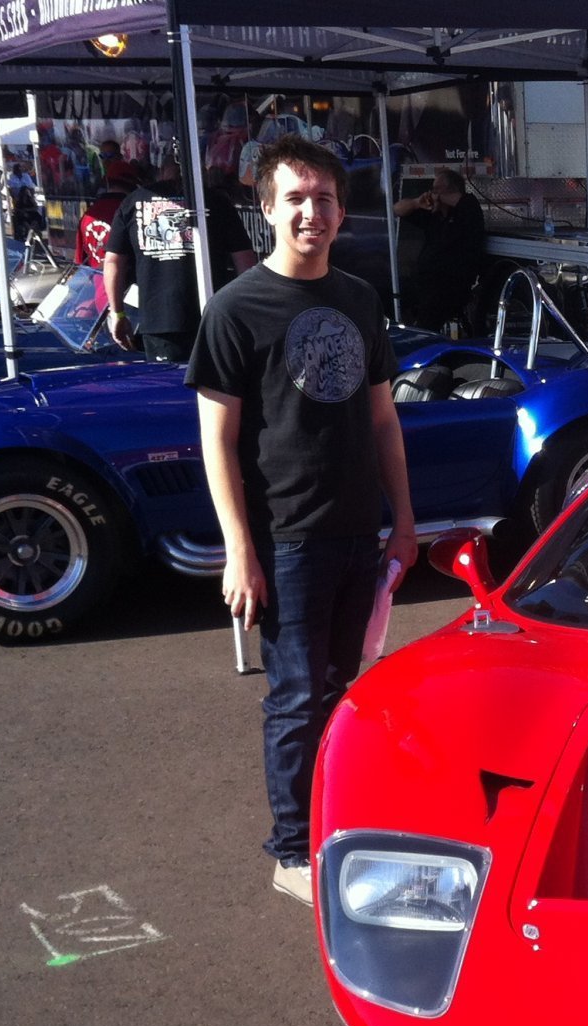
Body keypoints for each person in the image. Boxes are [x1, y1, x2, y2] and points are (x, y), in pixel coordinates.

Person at [187, 133, 418, 905]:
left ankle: (335, 823)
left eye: (323, 198)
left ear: (342, 212)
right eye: (294, 198)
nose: (310, 212)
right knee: (294, 700)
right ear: (267, 210)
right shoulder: (235, 309)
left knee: (343, 691)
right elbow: (216, 440)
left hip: (358, 533)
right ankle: (293, 851)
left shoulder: (359, 299)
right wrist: (238, 551)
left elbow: (383, 421)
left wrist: (405, 520)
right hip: (286, 539)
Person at [103, 143, 256, 363]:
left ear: (162, 171)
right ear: (197, 171)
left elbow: (113, 262)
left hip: (159, 322)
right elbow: (245, 262)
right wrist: (245, 313)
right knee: (213, 382)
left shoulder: (133, 201)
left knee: (168, 384)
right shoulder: (216, 201)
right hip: (212, 317)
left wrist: (117, 313)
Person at [393, 166, 485, 333]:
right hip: (426, 283)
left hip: (451, 286)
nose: (431, 193)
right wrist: (417, 202)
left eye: (436, 189)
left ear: (448, 191)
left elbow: (460, 198)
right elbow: (398, 209)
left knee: (428, 321)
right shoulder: (434, 216)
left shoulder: (467, 209)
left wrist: (439, 197)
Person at [4, 156, 42, 241]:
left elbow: (30, 187)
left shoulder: (26, 176)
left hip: (27, 197)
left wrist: (30, 196)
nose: (19, 171)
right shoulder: (11, 177)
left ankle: (34, 230)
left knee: (25, 189)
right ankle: (26, 231)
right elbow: (11, 189)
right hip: (17, 198)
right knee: (22, 190)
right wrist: (16, 198)